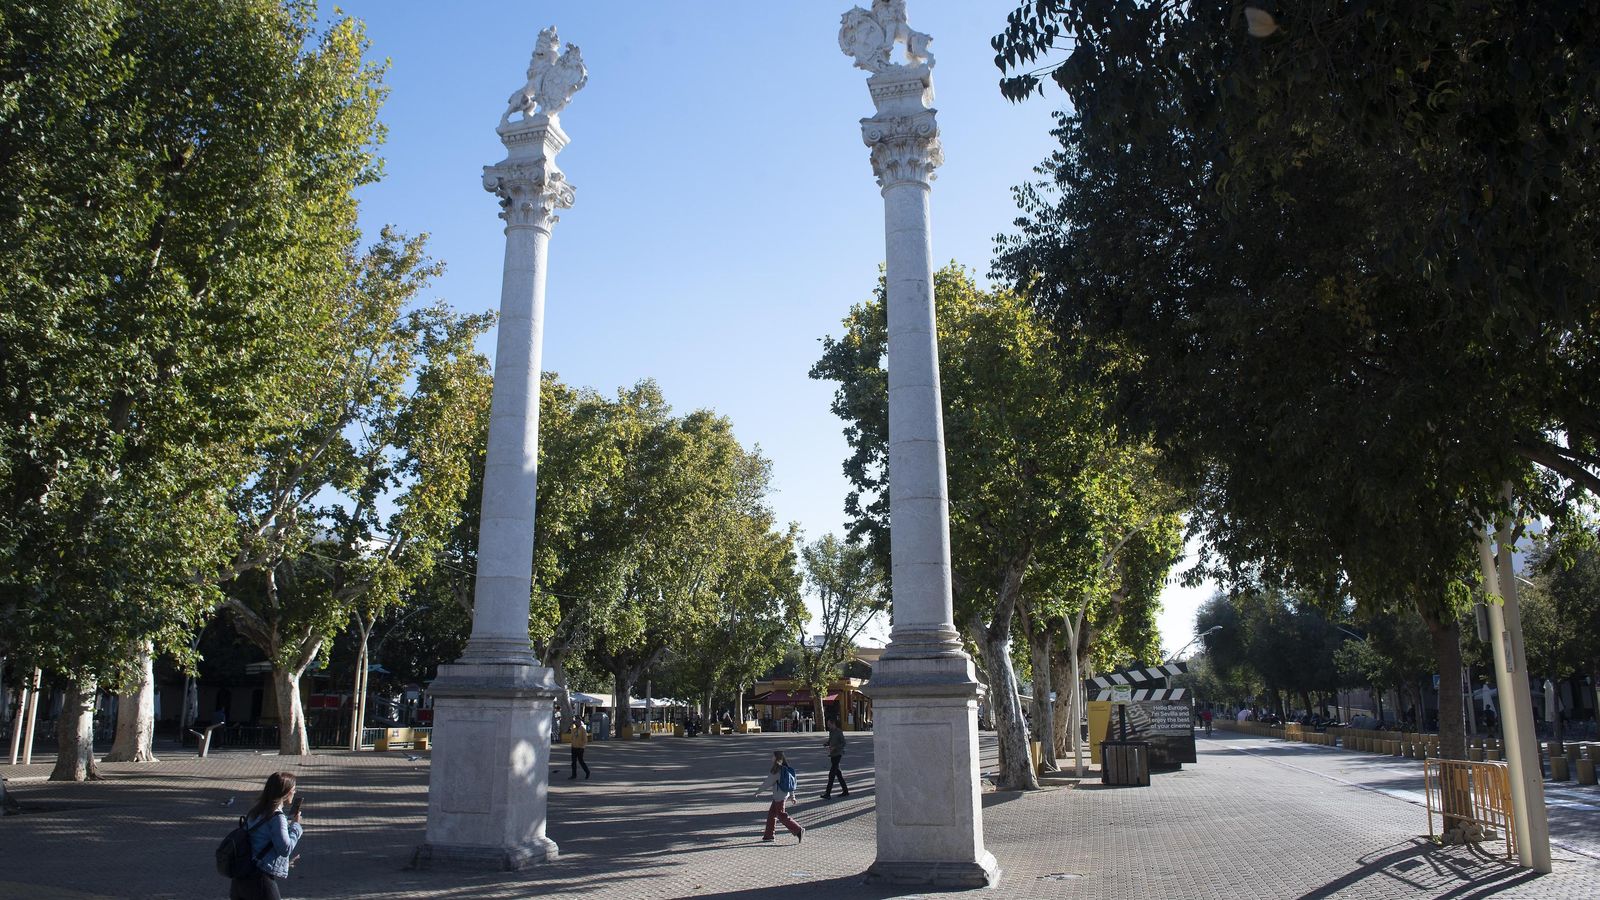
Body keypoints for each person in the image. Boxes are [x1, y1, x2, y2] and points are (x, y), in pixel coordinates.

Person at [231, 771, 303, 900]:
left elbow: (257, 844)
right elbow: (285, 849)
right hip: (260, 879)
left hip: (241, 877)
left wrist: (285, 863)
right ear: (286, 792)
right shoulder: (277, 817)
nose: (295, 792)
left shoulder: (255, 812)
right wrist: (296, 826)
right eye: (294, 790)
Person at [754, 750, 804, 843]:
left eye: (773, 756)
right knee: (772, 814)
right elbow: (791, 784)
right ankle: (769, 835)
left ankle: (798, 829)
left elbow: (767, 783)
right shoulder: (786, 768)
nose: (771, 758)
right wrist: (792, 796)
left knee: (781, 815)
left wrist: (758, 792)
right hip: (783, 795)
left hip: (779, 797)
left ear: (777, 758)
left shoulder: (776, 770)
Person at [820, 723, 850, 799]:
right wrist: (827, 743)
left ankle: (828, 793)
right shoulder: (831, 731)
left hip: (838, 754)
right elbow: (831, 740)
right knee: (838, 774)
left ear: (834, 724)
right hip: (832, 754)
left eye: (829, 724)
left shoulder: (839, 732)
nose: (828, 726)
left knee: (831, 775)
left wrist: (835, 747)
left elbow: (843, 743)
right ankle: (845, 791)